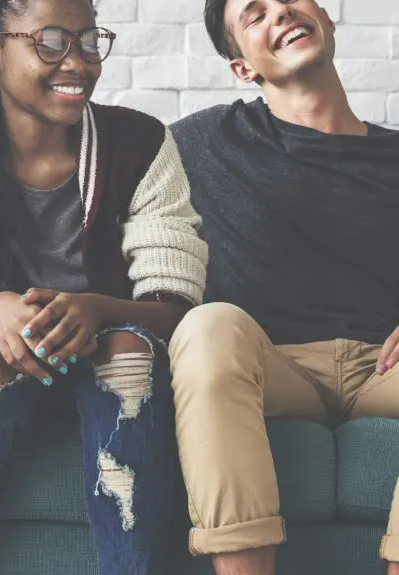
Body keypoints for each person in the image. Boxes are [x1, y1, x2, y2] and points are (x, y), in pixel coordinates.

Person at [0, 0, 209, 573]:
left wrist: (96, 309)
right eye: (53, 41)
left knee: (127, 351)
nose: (78, 62)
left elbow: (177, 304)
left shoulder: (140, 143)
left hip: (109, 355)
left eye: (90, 42)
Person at [168, 1, 399, 574]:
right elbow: (85, 176)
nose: (282, 12)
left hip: (385, 371)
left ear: (326, 19)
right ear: (243, 67)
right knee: (207, 325)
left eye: (291, 0)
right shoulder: (201, 142)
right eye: (255, 14)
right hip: (275, 369)